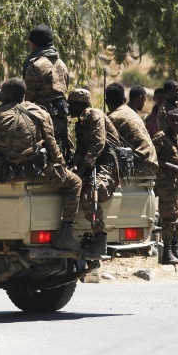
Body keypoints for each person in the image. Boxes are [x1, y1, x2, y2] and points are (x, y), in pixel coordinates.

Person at [0, 79, 86, 254]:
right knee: (74, 183)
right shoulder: (40, 112)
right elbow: (52, 145)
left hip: (6, 173)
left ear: (7, 95)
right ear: (23, 94)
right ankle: (65, 234)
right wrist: (61, 166)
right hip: (38, 170)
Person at [68, 88, 123, 256]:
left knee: (91, 194)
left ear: (77, 104)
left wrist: (84, 167)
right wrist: (74, 165)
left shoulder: (94, 115)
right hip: (94, 164)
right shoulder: (81, 121)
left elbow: (98, 145)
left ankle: (101, 239)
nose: (67, 108)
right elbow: (81, 150)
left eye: (70, 104)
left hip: (107, 164)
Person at [22, 24, 73, 161]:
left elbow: (27, 98)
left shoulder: (35, 65)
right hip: (61, 120)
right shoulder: (62, 64)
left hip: (40, 122)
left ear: (33, 44)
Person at [152, 109, 178, 266]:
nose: (176, 123)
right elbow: (153, 158)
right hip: (167, 185)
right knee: (169, 218)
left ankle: (175, 250)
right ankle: (167, 253)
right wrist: (173, 167)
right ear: (167, 121)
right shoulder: (161, 137)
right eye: (173, 120)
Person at [104, 82, 159, 177]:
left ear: (106, 101)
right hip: (152, 163)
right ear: (124, 100)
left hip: (140, 166)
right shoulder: (131, 112)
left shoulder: (113, 118)